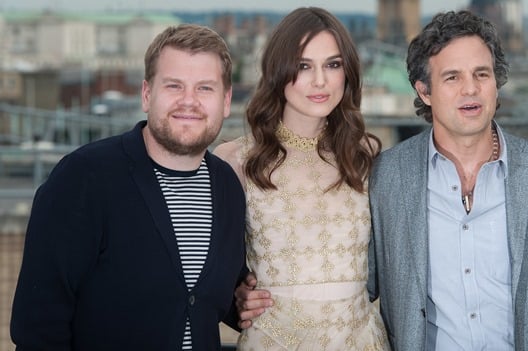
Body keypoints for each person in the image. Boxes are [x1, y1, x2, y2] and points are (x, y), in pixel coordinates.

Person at [367, 10, 528, 350]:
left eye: (482, 74)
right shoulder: (386, 177)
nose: (471, 89)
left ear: (497, 83)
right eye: (452, 77)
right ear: (425, 91)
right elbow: (355, 284)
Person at [11, 24, 246, 350]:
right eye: (174, 85)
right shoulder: (84, 178)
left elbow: (210, 294)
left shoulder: (228, 187)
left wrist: (244, 303)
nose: (189, 101)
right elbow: (38, 325)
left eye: (205, 88)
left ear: (226, 100)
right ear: (147, 94)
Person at [213, 7, 388, 350]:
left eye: (333, 65)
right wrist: (236, 292)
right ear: (279, 71)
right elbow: (208, 268)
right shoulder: (236, 160)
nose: (320, 81)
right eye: (304, 66)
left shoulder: (366, 156)